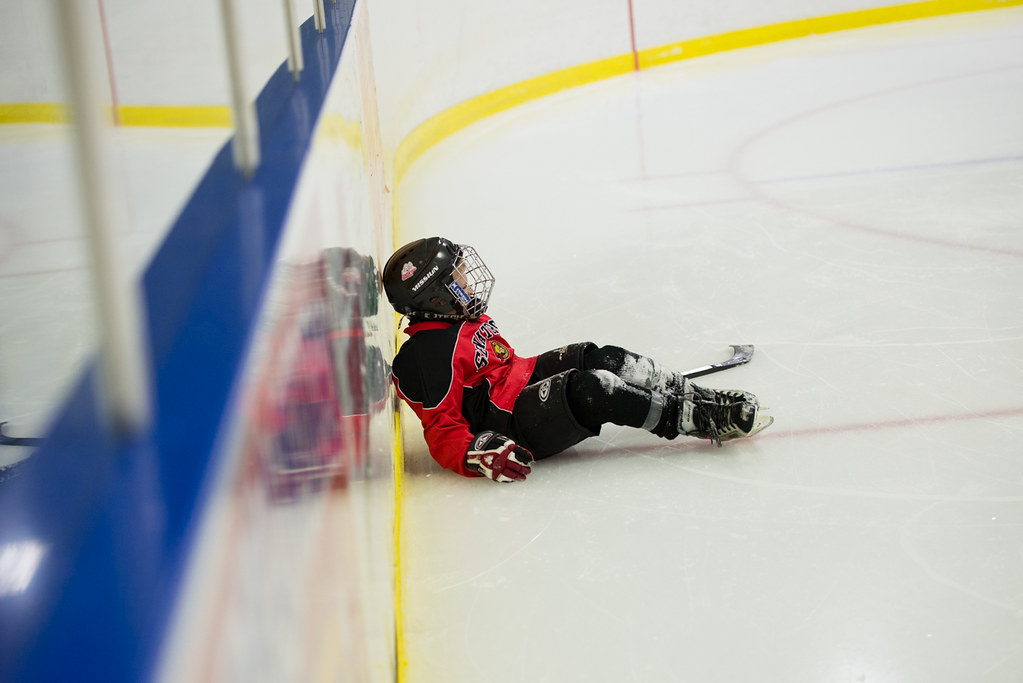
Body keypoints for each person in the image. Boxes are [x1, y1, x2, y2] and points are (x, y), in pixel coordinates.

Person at [382, 237, 772, 483]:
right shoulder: (425, 356)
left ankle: (699, 397)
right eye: (458, 278)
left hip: (518, 380)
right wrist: (477, 451)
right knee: (593, 389)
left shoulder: (456, 316)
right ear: (435, 295)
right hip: (509, 421)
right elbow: (441, 430)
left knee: (604, 357)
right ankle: (696, 420)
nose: (468, 282)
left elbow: (502, 366)